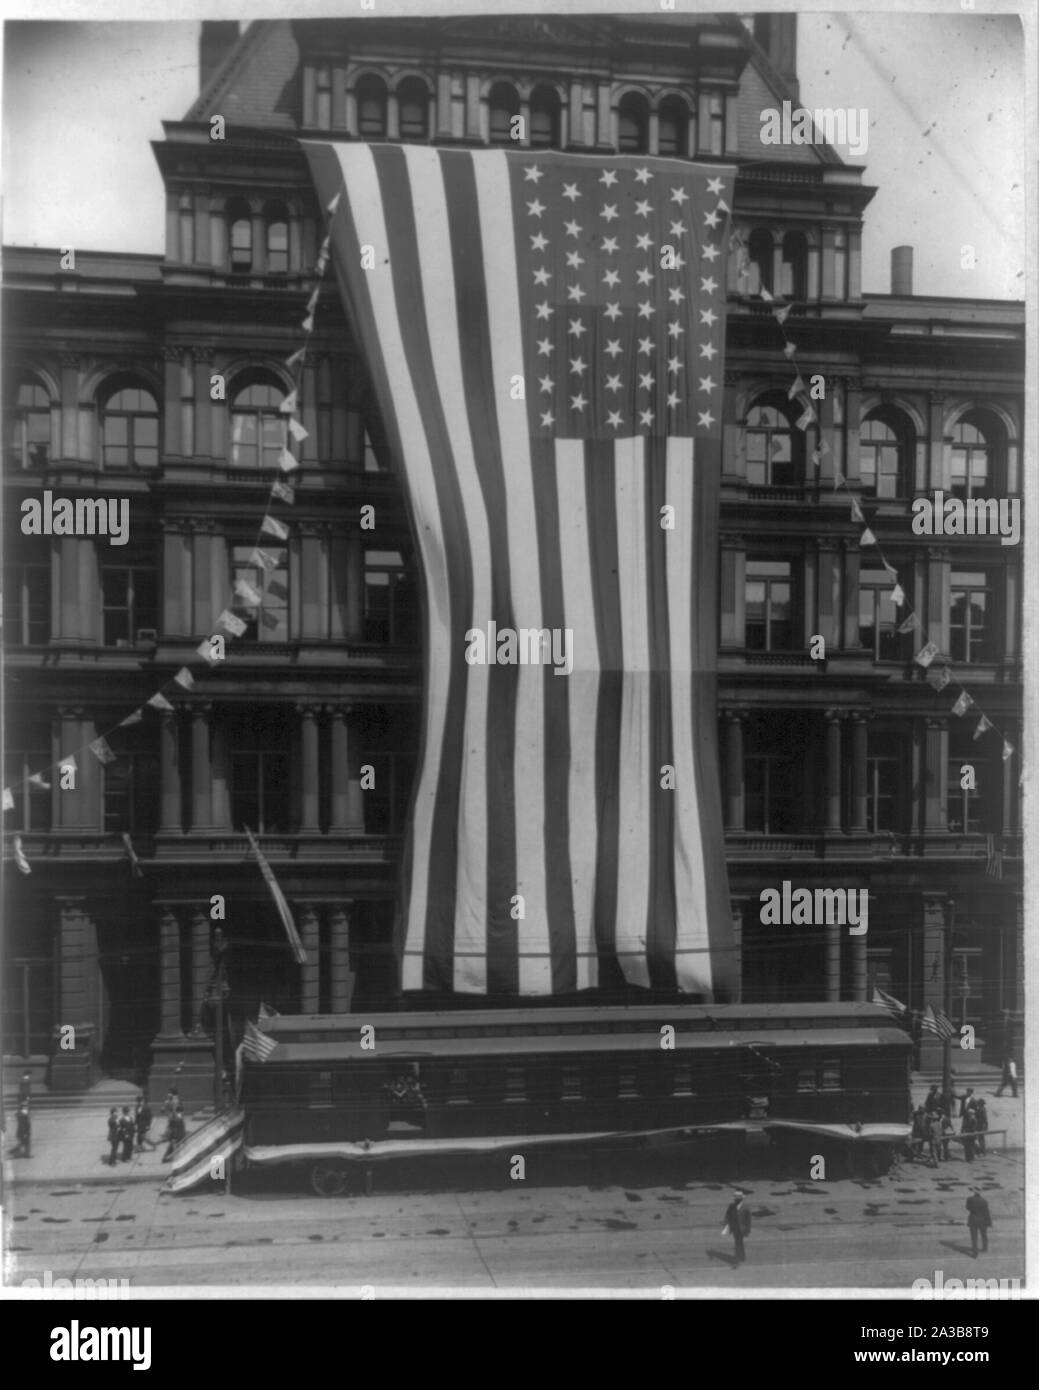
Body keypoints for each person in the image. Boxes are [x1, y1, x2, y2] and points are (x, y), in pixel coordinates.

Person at [723, 1189, 751, 1265]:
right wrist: (726, 1222)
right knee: (738, 1241)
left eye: (738, 1199)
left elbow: (748, 1220)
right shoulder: (731, 1206)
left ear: (741, 1199)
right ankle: (741, 1256)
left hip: (742, 1228)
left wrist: (748, 1230)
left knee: (739, 1242)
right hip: (734, 1227)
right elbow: (728, 1214)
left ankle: (739, 1257)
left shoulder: (746, 1208)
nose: (737, 1201)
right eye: (736, 1199)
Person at [994, 1011, 1018, 1098]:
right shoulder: (1009, 1055)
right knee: (1011, 1083)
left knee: (1005, 1083)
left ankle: (999, 1093)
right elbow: (1009, 1064)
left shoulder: (1009, 1055)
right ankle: (1012, 1094)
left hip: (1008, 1071)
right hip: (1009, 1072)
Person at [965, 1189, 992, 1256]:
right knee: (984, 1235)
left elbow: (967, 1207)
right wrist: (989, 1222)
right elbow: (987, 1213)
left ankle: (975, 1252)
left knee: (974, 1237)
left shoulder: (970, 1199)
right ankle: (985, 1248)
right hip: (982, 1220)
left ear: (974, 1192)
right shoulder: (984, 1201)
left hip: (973, 1219)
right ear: (981, 1192)